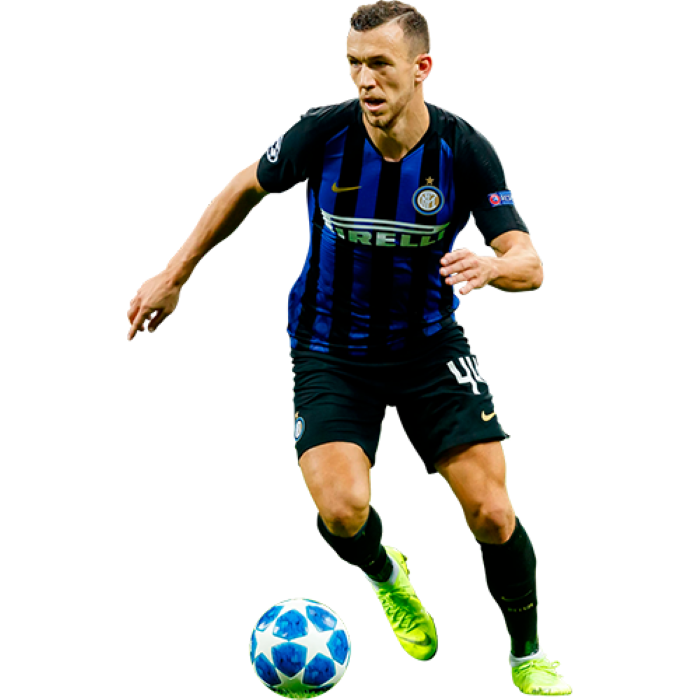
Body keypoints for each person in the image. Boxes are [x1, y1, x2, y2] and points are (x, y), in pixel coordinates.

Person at [127, 2, 572, 696]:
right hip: (329, 348)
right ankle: (387, 574)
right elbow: (245, 186)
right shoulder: (324, 132)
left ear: (421, 68)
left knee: (492, 512)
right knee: (342, 512)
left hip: (429, 349)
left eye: (380, 65)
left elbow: (530, 262)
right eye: (354, 65)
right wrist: (173, 276)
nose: (365, 80)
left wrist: (491, 266)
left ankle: (527, 654)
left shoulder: (463, 149)